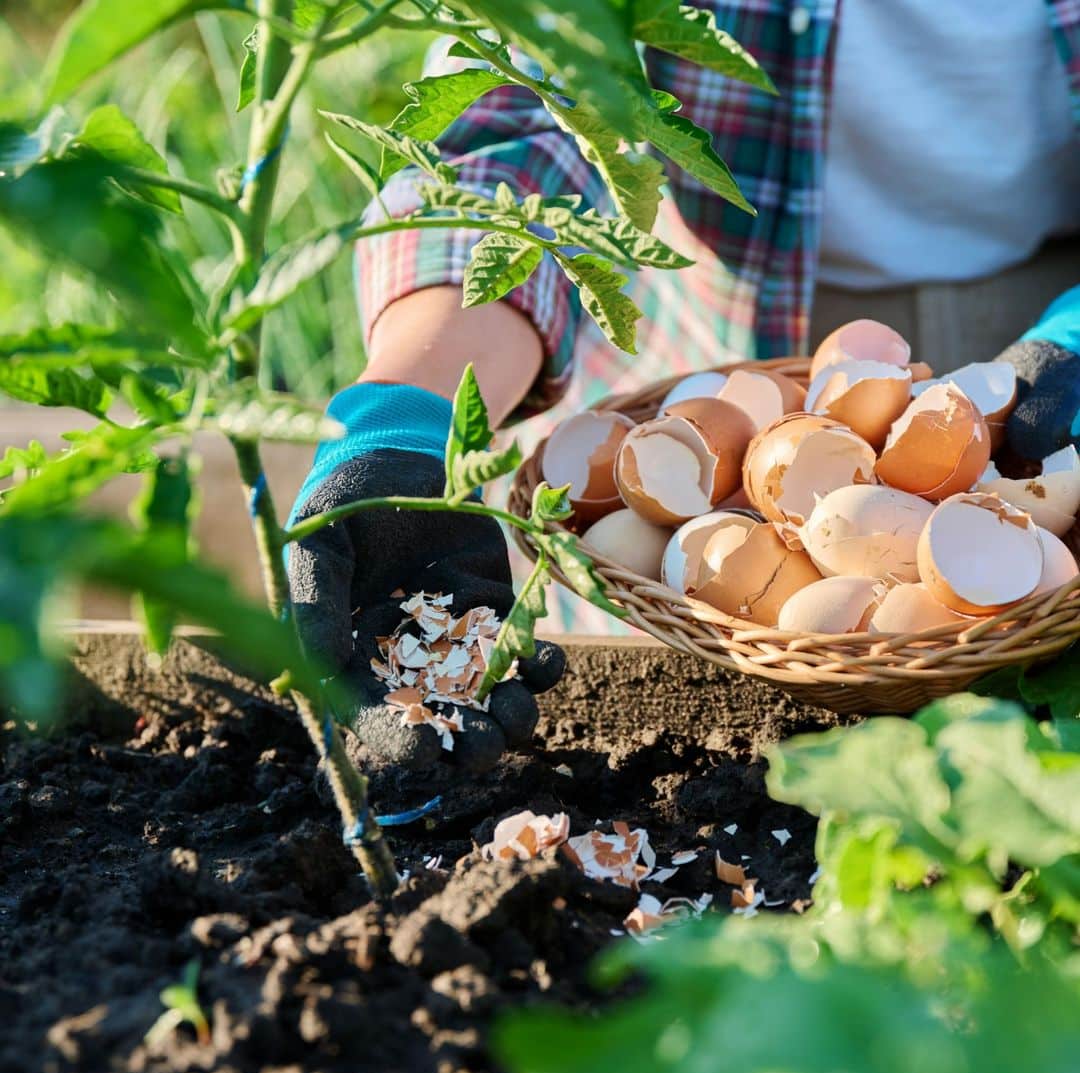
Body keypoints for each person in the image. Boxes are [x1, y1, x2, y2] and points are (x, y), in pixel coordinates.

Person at [288, 2, 1080, 774]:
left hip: (1036, 341)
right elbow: (524, 109)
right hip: (713, 365)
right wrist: (409, 413)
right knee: (675, 632)